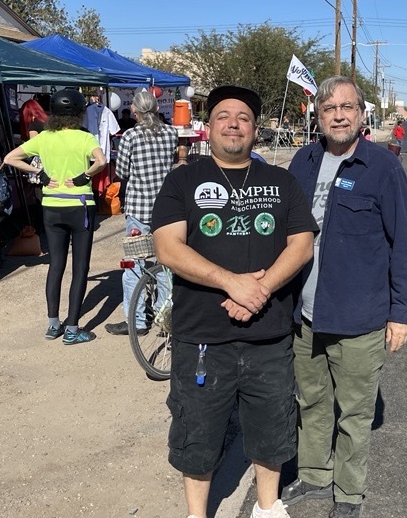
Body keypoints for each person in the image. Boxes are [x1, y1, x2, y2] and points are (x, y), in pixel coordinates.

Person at [150, 85, 317, 518]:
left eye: (243, 117)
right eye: (224, 115)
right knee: (197, 430)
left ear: (255, 129)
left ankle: (267, 506)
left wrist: (257, 291)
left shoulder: (280, 181)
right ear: (209, 127)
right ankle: (196, 513)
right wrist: (231, 283)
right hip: (202, 336)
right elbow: (169, 247)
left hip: (269, 333)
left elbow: (301, 245)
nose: (233, 123)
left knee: (271, 426)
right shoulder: (183, 179)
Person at [286, 76, 407, 518]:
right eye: (329, 109)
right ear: (318, 115)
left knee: (355, 414)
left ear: (361, 114)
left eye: (347, 107)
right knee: (312, 402)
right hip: (304, 314)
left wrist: (401, 313)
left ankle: (348, 494)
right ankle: (314, 475)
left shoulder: (383, 168)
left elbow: (402, 244)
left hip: (360, 316)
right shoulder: (302, 162)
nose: (339, 115)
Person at [4, 88, 107, 345]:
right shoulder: (85, 138)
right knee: (80, 267)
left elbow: (10, 157)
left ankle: (53, 324)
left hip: (51, 206)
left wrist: (40, 174)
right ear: (80, 113)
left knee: (56, 264)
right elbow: (101, 161)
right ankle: (72, 328)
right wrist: (84, 177)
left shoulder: (44, 138)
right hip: (80, 205)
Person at [104, 90, 178, 336]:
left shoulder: (130, 136)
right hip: (166, 209)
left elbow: (122, 172)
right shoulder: (171, 133)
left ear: (134, 111)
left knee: (134, 265)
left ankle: (136, 321)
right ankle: (163, 317)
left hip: (138, 209)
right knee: (166, 263)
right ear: (157, 109)